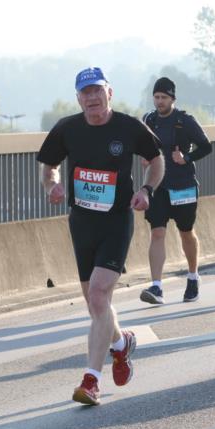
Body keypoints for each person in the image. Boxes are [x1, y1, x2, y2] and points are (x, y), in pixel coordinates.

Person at [38, 67, 164, 406]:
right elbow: (49, 166)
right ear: (78, 98)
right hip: (82, 223)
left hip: (116, 221)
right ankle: (121, 345)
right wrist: (52, 184)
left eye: (97, 91)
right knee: (96, 304)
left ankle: (91, 381)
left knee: (98, 294)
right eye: (85, 93)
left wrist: (147, 190)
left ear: (109, 93)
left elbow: (156, 160)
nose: (91, 98)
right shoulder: (67, 128)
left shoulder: (128, 127)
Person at [140, 77, 212, 304]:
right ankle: (156, 286)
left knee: (185, 232)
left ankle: (192, 277)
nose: (159, 101)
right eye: (157, 97)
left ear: (172, 98)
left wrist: (186, 158)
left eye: (164, 97)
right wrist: (144, 156)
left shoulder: (185, 120)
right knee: (157, 232)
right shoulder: (148, 119)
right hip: (158, 186)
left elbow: (206, 146)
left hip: (183, 185)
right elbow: (142, 145)